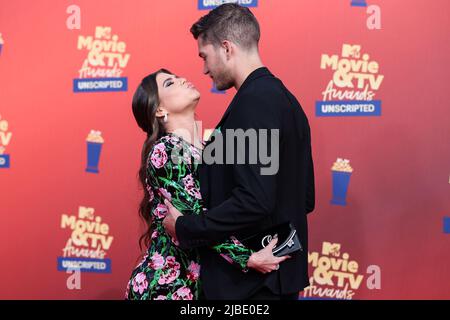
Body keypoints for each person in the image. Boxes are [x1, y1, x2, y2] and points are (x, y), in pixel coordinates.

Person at [163, 4, 315, 300]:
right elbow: (305, 198)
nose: (204, 68)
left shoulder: (254, 102)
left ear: (227, 48)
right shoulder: (287, 101)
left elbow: (255, 199)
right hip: (272, 281)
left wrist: (186, 226)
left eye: (204, 56)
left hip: (252, 287)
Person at [125, 69, 289, 300]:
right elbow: (194, 220)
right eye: (170, 83)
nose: (182, 78)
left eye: (177, 76)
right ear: (159, 110)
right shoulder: (167, 150)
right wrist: (249, 258)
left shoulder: (208, 148)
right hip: (168, 287)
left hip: (202, 285)